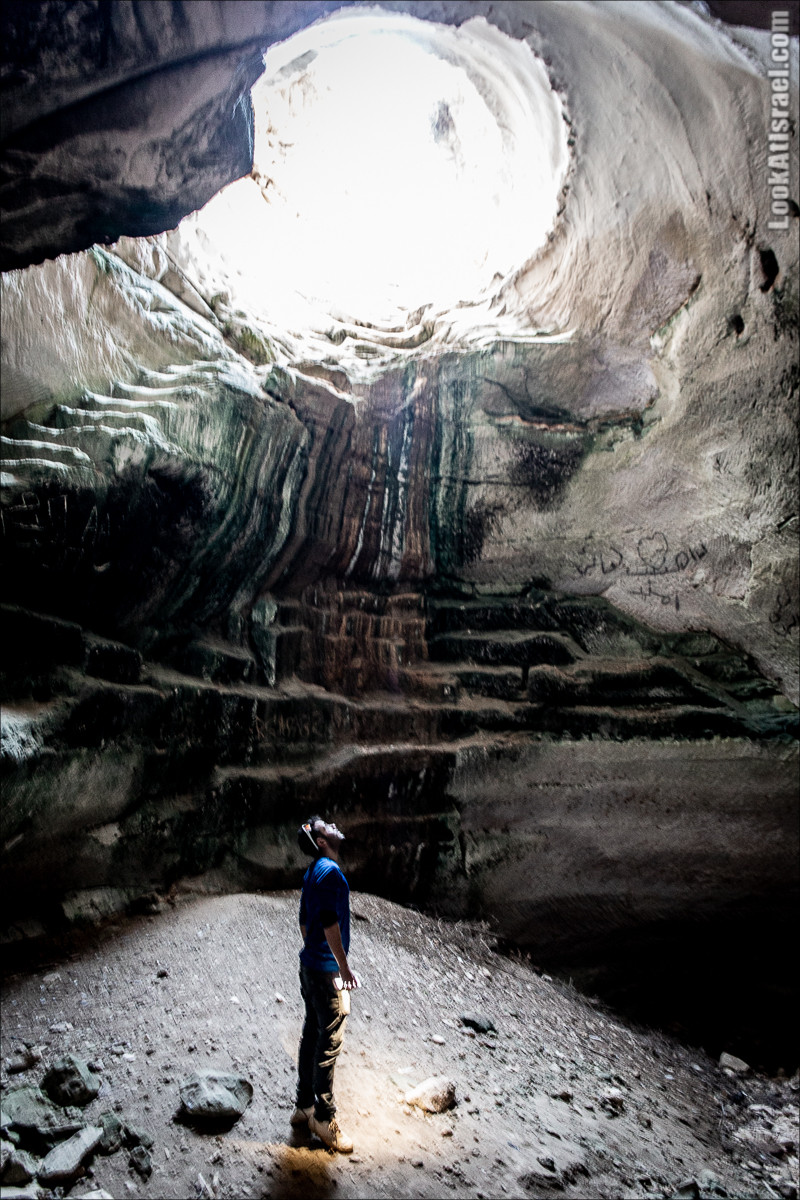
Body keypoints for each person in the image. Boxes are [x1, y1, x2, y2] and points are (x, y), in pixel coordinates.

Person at [292, 814, 360, 1153]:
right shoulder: (330, 872)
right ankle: (323, 1117)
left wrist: (314, 951)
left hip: (309, 967)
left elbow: (305, 921)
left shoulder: (312, 872)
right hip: (326, 972)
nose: (334, 826)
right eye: (327, 827)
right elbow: (330, 922)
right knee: (329, 1042)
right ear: (321, 842)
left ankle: (304, 1106)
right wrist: (342, 969)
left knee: (312, 1033)